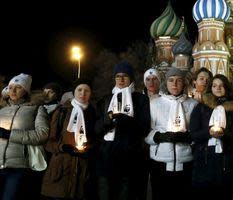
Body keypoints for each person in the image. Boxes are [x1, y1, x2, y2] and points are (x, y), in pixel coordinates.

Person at [95, 61, 150, 200]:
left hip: (129, 158)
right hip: (107, 157)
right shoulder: (105, 100)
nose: (121, 79)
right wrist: (108, 120)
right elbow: (96, 129)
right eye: (118, 76)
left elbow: (144, 126)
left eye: (125, 76)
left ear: (131, 78)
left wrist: (123, 119)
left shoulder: (140, 99)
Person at [145, 67, 198, 200]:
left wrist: (188, 138)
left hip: (185, 160)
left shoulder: (193, 105)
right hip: (161, 160)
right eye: (171, 80)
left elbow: (197, 132)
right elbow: (147, 132)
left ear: (184, 84)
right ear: (165, 83)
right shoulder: (155, 104)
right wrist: (159, 137)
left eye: (179, 80)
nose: (174, 84)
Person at [41, 78, 96, 199]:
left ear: (90, 93)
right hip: (61, 170)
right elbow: (49, 142)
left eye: (86, 90)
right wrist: (63, 147)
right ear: (74, 92)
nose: (83, 93)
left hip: (82, 170)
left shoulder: (93, 113)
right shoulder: (62, 111)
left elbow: (95, 139)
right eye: (79, 90)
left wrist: (89, 149)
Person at [190, 74, 233, 200]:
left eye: (221, 86)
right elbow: (193, 134)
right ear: (210, 88)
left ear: (227, 88)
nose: (218, 88)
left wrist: (223, 134)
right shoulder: (201, 108)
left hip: (226, 161)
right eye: (214, 85)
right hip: (204, 159)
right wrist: (209, 132)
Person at [0, 73, 49, 200]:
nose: (13, 90)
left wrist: (9, 134)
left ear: (26, 90)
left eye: (18, 87)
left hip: (18, 167)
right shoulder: (1, 111)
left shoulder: (37, 109)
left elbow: (42, 134)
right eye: (10, 87)